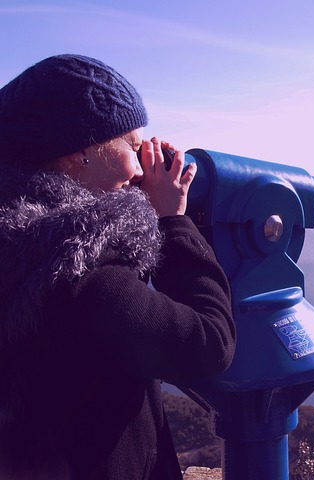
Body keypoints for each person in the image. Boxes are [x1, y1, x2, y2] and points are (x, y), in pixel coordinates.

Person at [0, 54, 236, 479]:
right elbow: (209, 345)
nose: (144, 164)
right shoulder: (79, 272)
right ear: (79, 153)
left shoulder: (18, 241)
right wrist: (173, 223)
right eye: (132, 145)